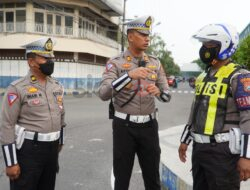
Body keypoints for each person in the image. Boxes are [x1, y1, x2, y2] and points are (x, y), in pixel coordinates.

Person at [98, 15, 171, 190]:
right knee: (122, 178)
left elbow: (167, 95)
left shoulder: (155, 62)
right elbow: (103, 93)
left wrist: (160, 92)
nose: (147, 39)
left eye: (148, 35)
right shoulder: (115, 63)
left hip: (149, 127)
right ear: (130, 36)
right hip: (124, 127)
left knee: (153, 178)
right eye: (142, 35)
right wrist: (128, 76)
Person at [178, 23, 250, 190]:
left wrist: (246, 156)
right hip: (199, 149)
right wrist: (185, 140)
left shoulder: (240, 77)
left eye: (210, 45)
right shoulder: (203, 76)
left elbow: (248, 117)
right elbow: (195, 111)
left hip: (223, 153)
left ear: (224, 45)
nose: (205, 49)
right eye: (203, 45)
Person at [0, 37, 66, 190]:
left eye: (52, 57)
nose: (51, 61)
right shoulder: (17, 88)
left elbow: (61, 116)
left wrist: (59, 142)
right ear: (31, 62)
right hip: (29, 150)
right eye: (45, 57)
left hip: (51, 149)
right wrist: (11, 163)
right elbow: (7, 125)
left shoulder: (57, 86)